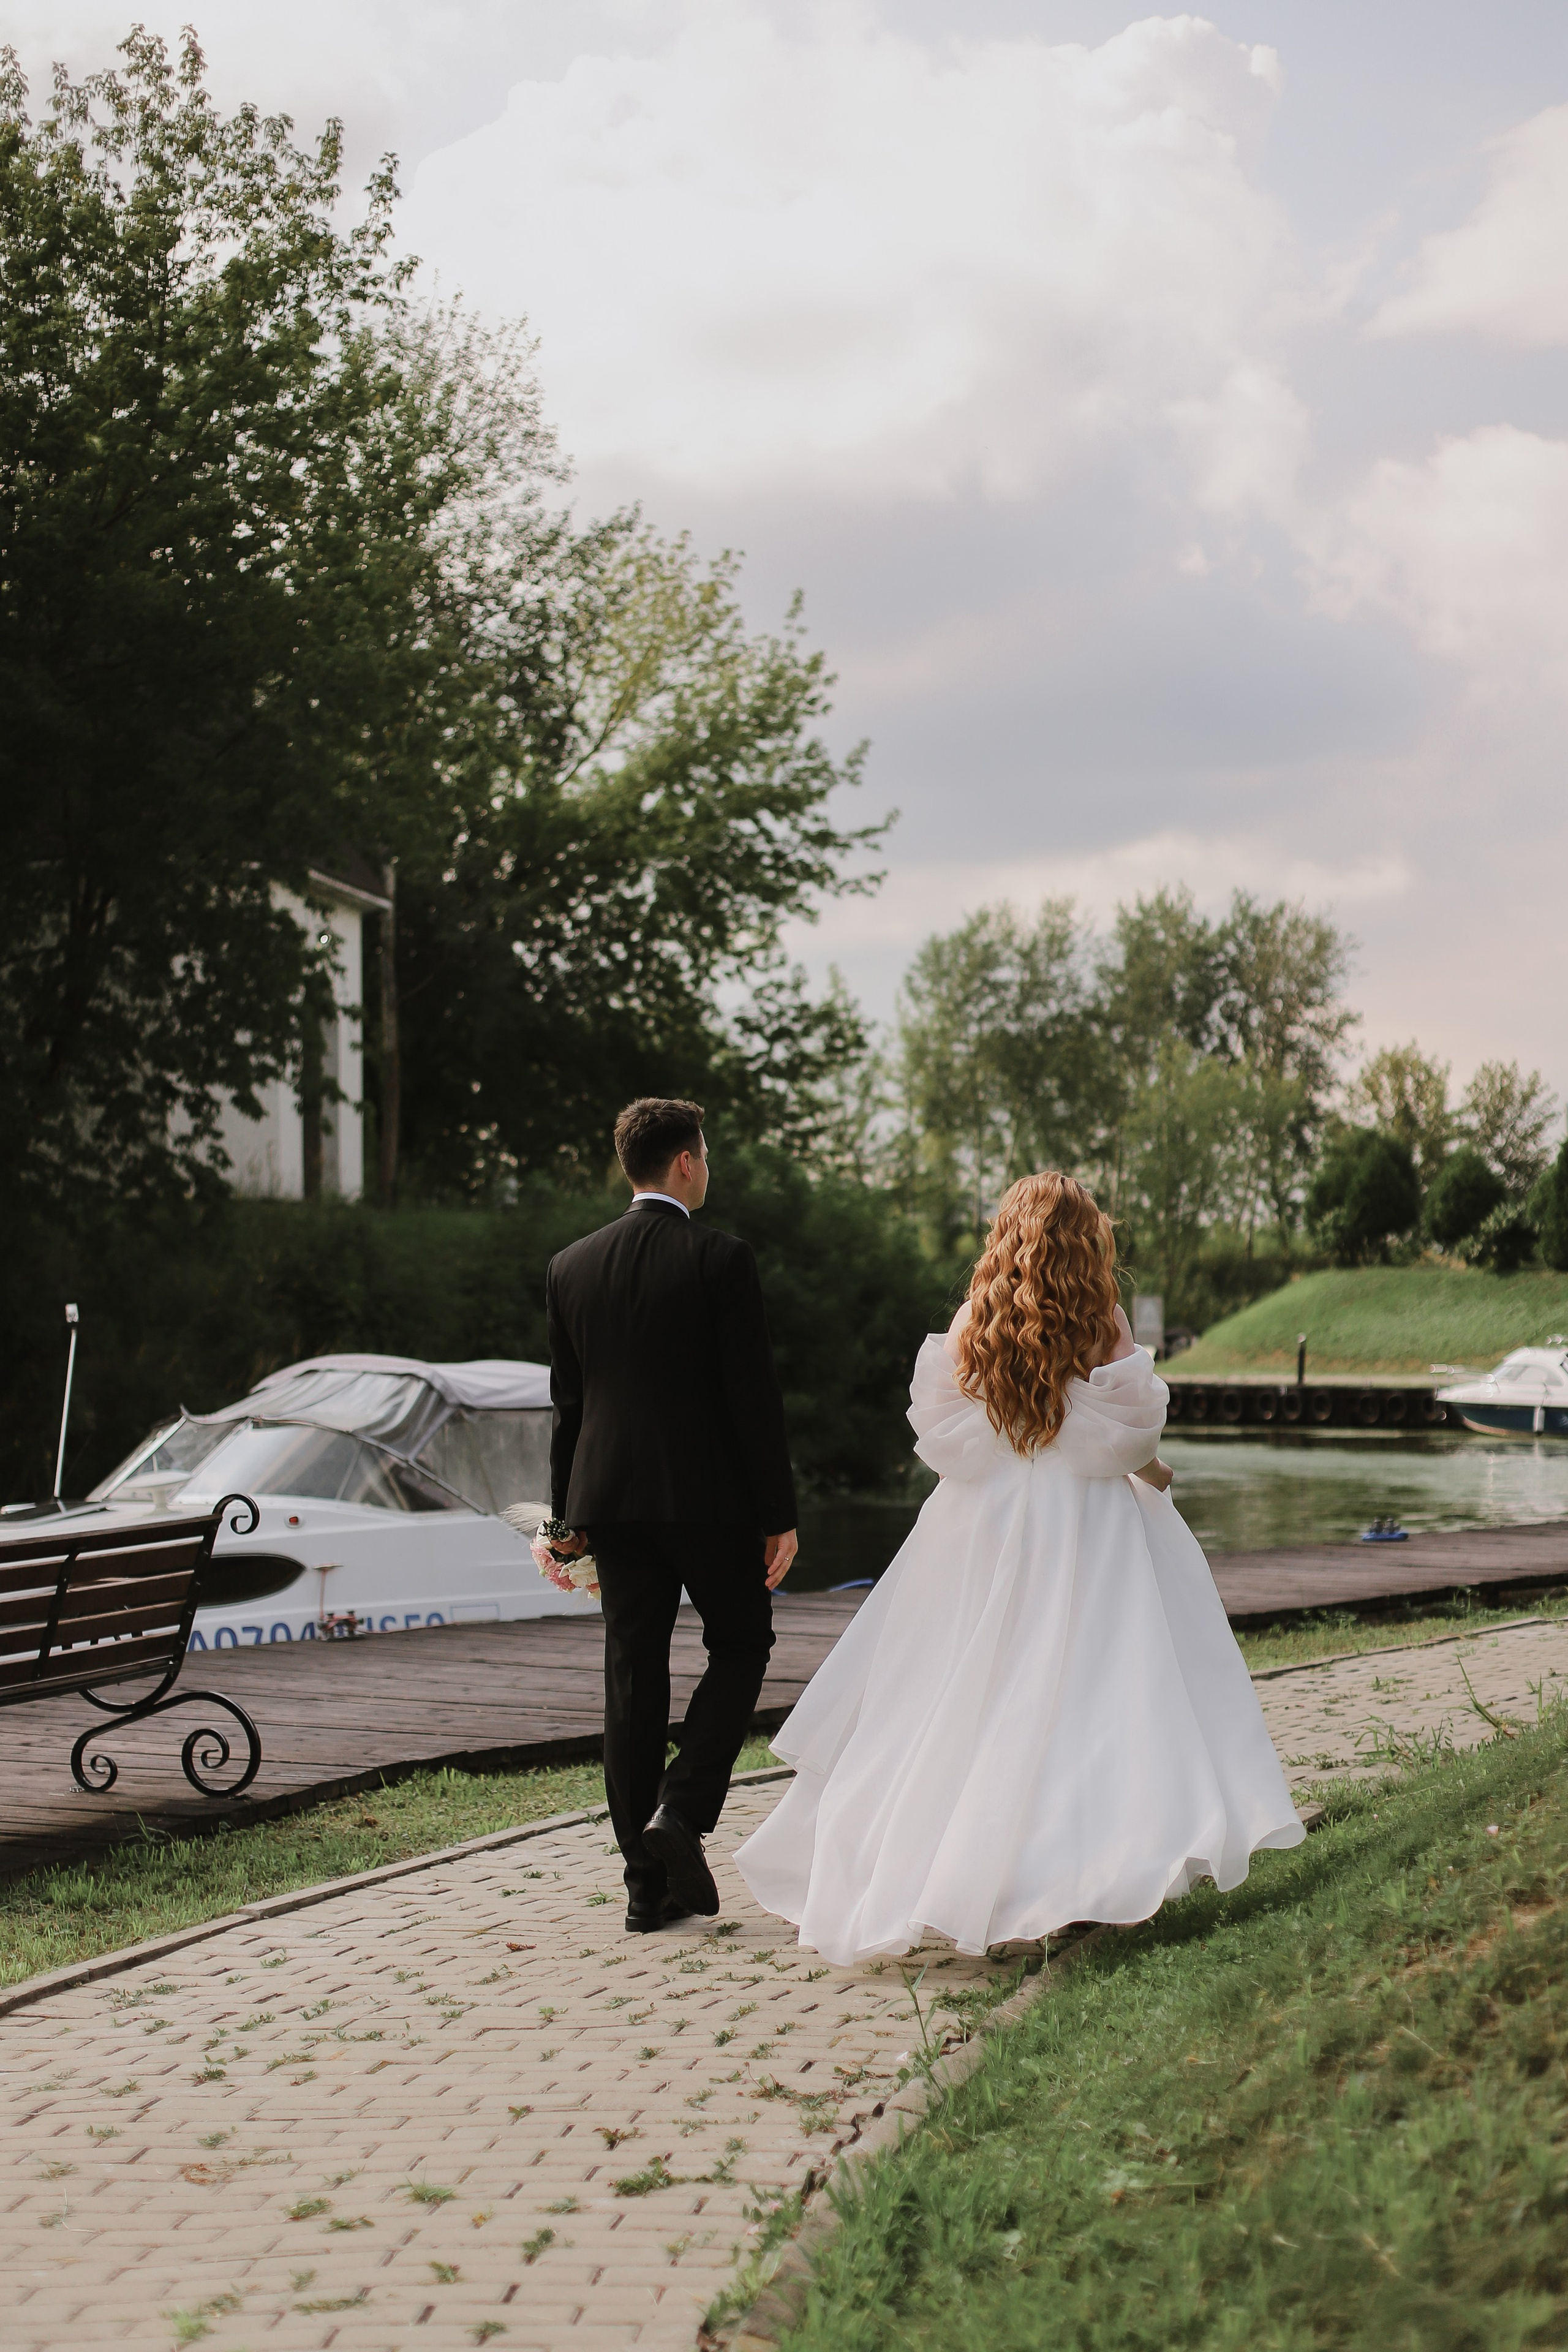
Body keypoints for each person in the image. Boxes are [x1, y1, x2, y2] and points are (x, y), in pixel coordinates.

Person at [735, 1170, 1303, 1967]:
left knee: (965, 1690)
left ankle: (951, 1871)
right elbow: (1136, 1435)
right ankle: (1084, 1876)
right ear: (1087, 1239)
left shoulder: (976, 1321)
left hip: (983, 1521)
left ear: (1006, 1233)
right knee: (1094, 1691)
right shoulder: (1101, 1319)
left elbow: (939, 1430)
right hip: (1090, 1522)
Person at [545, 1097, 799, 1934]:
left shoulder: (571, 1266)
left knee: (633, 1676)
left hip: (609, 1500)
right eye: (707, 1155)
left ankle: (644, 1889)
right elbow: (750, 1397)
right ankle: (682, 1812)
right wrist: (778, 1512)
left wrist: (562, 1518)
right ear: (686, 1162)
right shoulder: (720, 1258)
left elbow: (569, 1407)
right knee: (743, 1641)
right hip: (706, 1499)